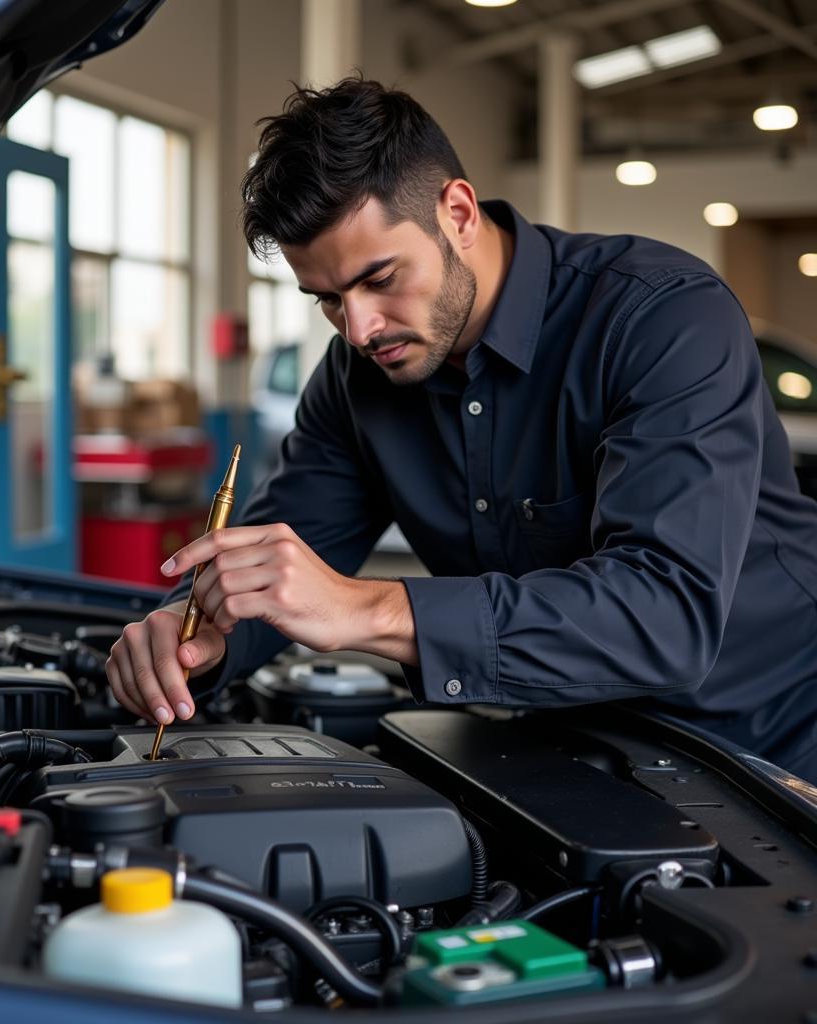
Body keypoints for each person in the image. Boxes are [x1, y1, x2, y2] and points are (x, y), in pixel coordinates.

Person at [105, 76, 817, 782]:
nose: (358, 328)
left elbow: (666, 614)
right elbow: (281, 559)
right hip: (565, 745)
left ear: (459, 212)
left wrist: (367, 609)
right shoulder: (359, 376)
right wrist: (197, 638)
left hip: (767, 751)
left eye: (381, 278)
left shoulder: (662, 318)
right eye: (326, 299)